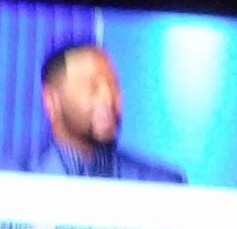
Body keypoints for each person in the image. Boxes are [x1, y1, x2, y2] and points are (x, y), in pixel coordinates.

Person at [27, 42, 186, 182]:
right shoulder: (19, 180)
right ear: (52, 101)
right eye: (91, 86)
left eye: (112, 85)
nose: (108, 97)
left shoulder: (160, 183)